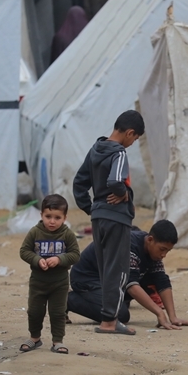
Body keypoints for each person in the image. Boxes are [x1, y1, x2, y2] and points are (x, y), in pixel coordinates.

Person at [72, 110, 145, 336]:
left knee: (105, 268)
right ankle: (109, 322)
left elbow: (79, 183)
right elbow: (115, 180)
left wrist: (92, 208)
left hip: (99, 217)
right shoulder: (119, 152)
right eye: (135, 139)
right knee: (119, 268)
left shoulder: (95, 149)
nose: (133, 143)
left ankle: (109, 317)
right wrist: (122, 193)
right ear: (130, 133)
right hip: (116, 217)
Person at [67, 219, 188, 330]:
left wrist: (173, 317)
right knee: (121, 315)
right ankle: (68, 300)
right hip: (86, 279)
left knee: (148, 282)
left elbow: (162, 281)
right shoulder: (129, 245)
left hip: (109, 280)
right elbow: (131, 284)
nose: (164, 255)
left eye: (167, 251)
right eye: (162, 249)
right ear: (150, 240)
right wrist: (159, 313)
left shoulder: (153, 253)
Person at [19, 194, 81, 355]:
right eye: (48, 216)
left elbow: (75, 254)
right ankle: (34, 338)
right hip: (38, 281)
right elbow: (24, 251)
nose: (52, 221)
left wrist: (60, 259)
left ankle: (57, 341)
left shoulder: (67, 235)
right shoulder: (35, 232)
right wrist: (37, 259)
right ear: (41, 215)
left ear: (64, 218)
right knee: (34, 311)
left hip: (59, 283)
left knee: (58, 312)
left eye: (57, 217)